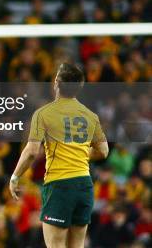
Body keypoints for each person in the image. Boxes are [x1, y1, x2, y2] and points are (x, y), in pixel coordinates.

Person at [9, 63, 109, 248]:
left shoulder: (44, 113)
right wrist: (77, 154)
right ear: (80, 87)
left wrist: (15, 177)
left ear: (56, 83)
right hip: (84, 186)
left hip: (60, 185)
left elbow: (31, 152)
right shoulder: (90, 115)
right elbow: (103, 151)